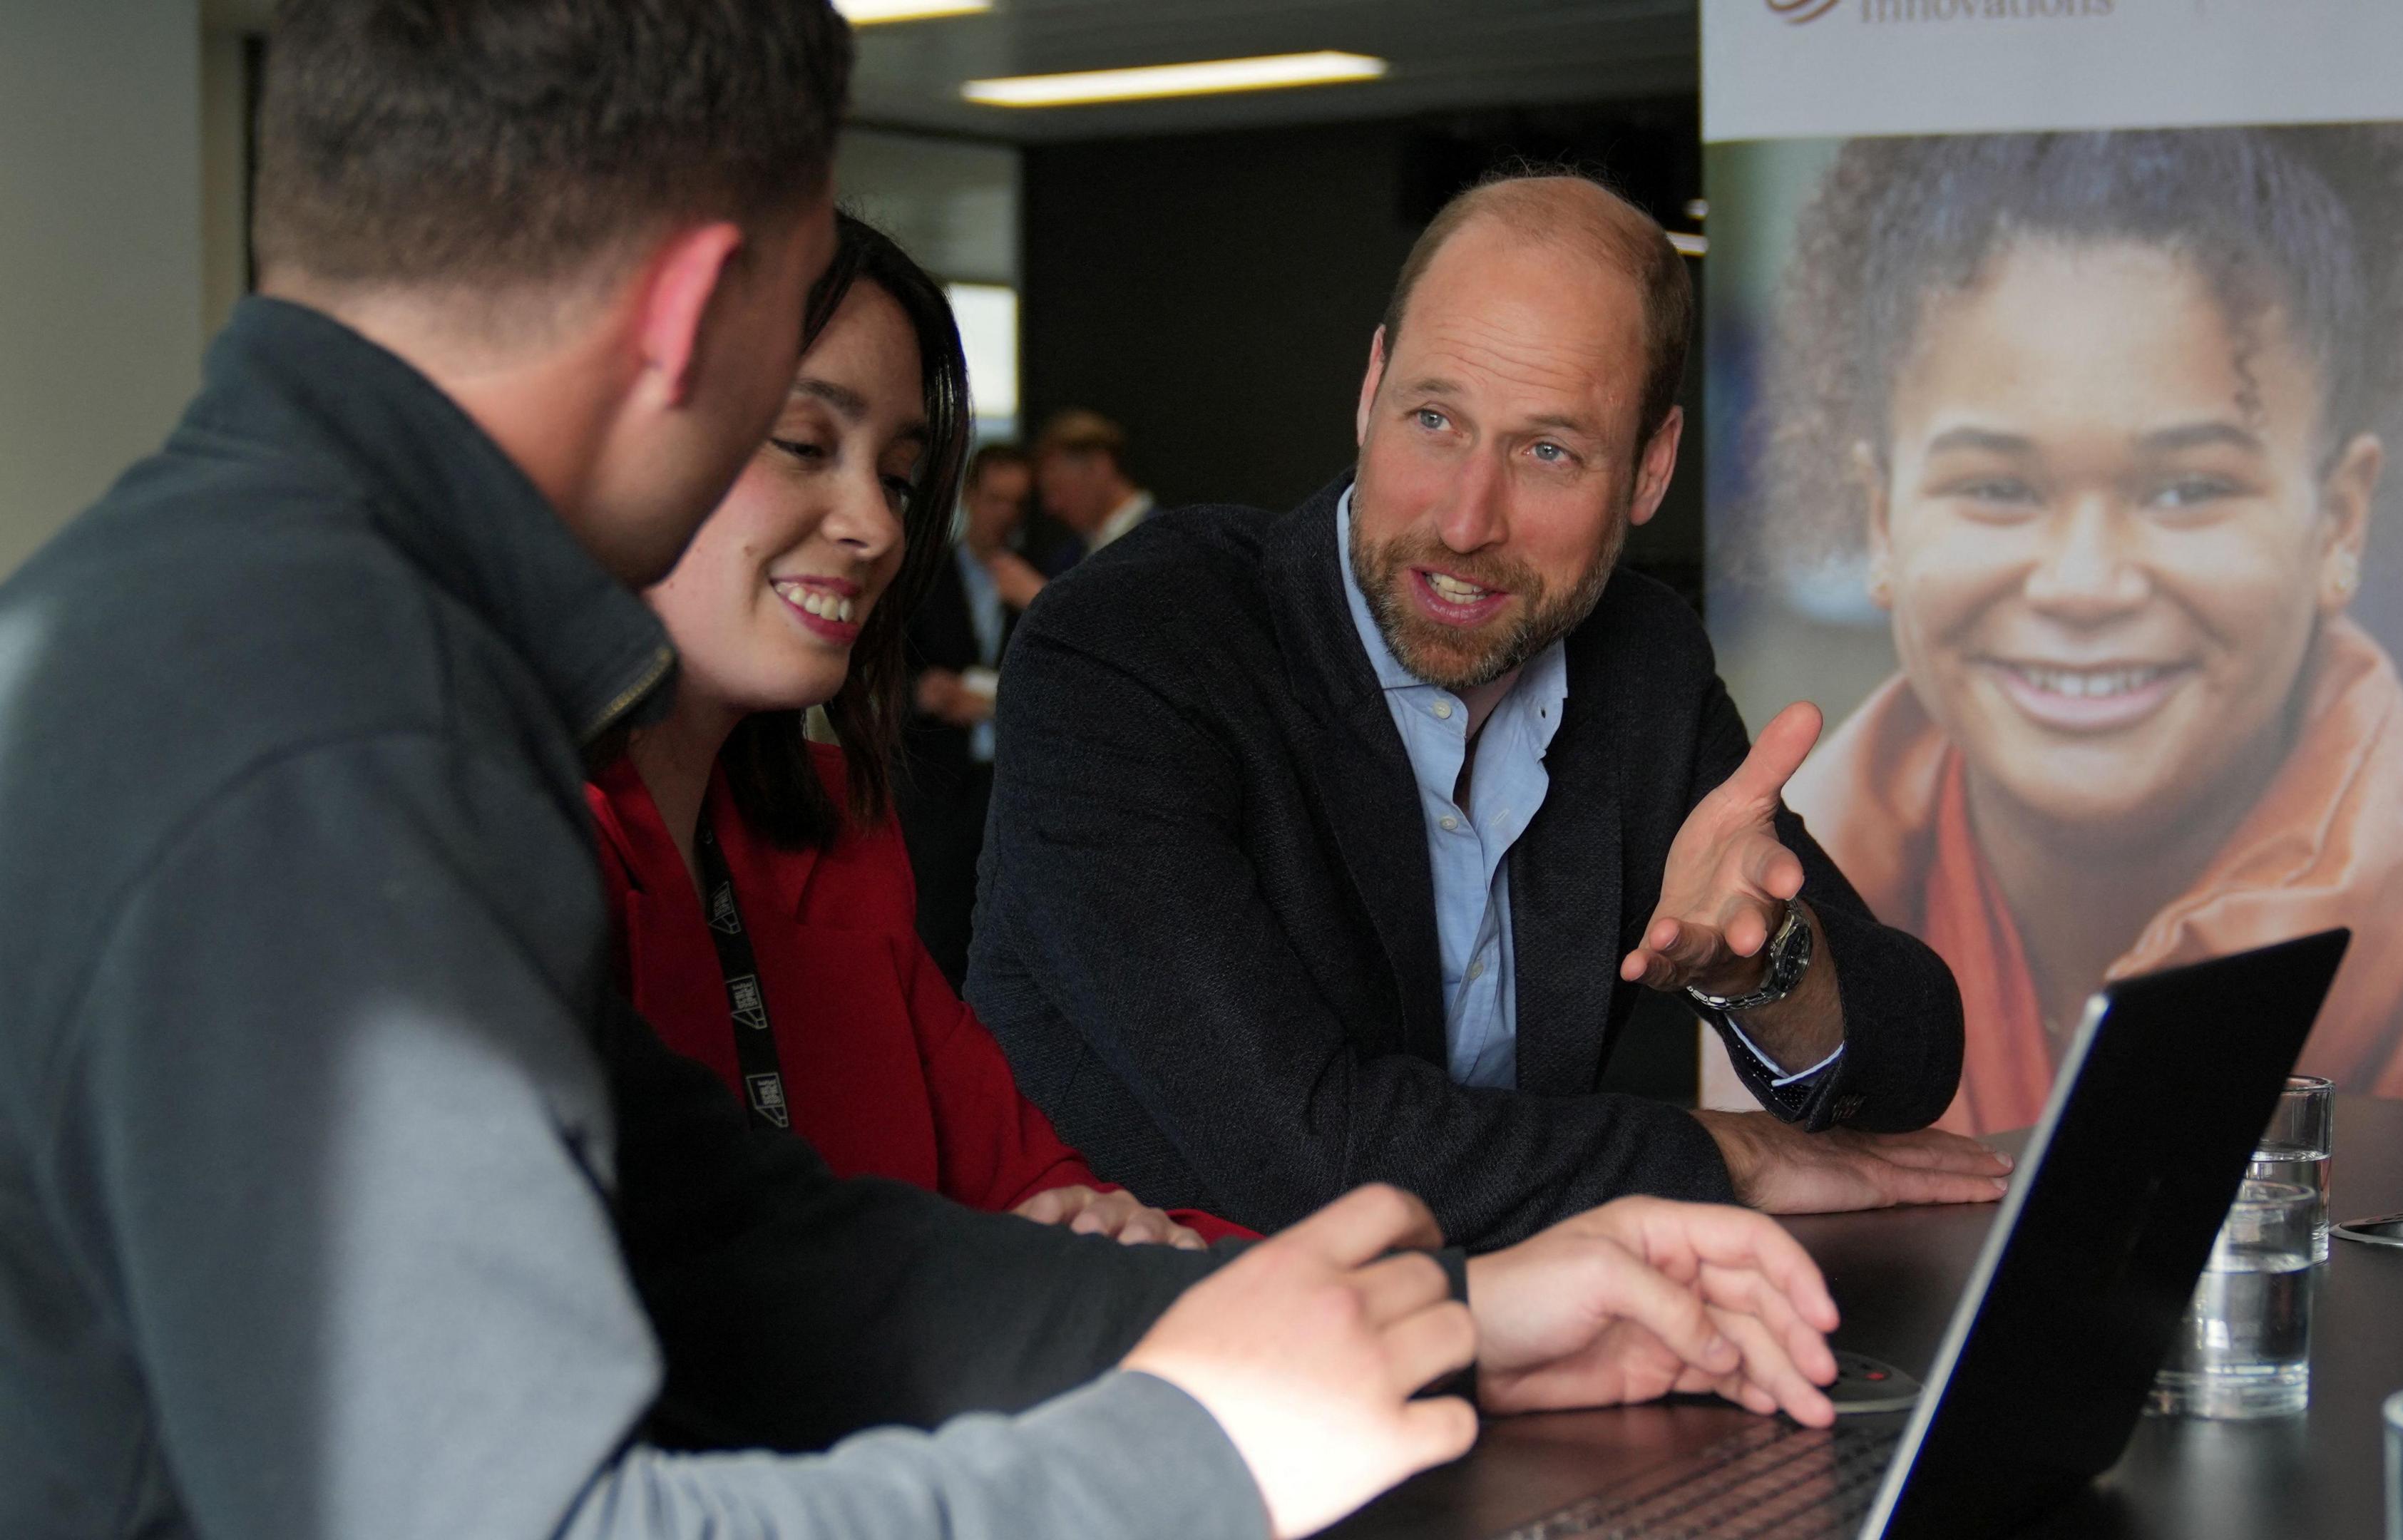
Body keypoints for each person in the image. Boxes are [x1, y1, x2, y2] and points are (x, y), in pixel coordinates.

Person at [0, 9, 1863, 1539]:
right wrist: (1198, 1459)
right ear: (695, 311)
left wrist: (1458, 1324)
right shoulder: (336, 731)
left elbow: (748, 1244)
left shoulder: (240, 618)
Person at [969, 172, 2006, 1253]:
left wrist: (1765, 966)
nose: (1467, 521)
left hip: (1496, 1355)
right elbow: (1315, 1159)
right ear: (1371, 388)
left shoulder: (1636, 663)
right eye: (1434, 419)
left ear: (1651, 469)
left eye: (1547, 450)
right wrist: (1722, 1157)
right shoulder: (1132, 646)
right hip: (1134, 1368)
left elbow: (1913, 1055)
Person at [1753, 126, 2403, 1135]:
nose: (2085, 585)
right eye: (1999, 488)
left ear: (2340, 520)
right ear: (1881, 519)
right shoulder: (1766, 958)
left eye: (2188, 488)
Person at [593, 215, 1245, 1248]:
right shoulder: (504, 840)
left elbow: (1044, 1197)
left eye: (898, 478)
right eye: (807, 446)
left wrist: (1115, 1241)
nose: (880, 526)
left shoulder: (838, 843)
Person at [900, 441, 1042, 985]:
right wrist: (924, 694)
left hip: (1011, 784)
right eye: (994, 499)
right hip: (940, 783)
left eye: (1016, 502)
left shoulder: (1034, 578)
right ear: (969, 498)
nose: (1004, 514)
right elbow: (884, 676)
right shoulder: (924, 576)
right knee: (938, 933)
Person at [1034, 408, 1154, 556]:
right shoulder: (1071, 554)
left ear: (1099, 467)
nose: (1052, 506)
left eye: (1057, 488)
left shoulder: (1167, 544)